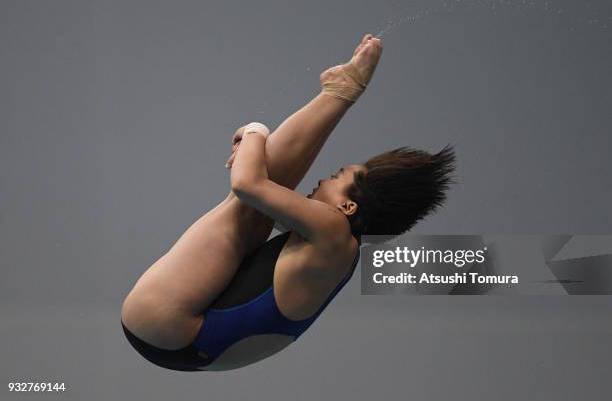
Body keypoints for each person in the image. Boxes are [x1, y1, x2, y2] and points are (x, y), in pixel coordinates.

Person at [120, 34, 456, 371]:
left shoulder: (333, 231)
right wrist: (253, 144)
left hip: (168, 325)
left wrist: (255, 130)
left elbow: (247, 183)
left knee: (245, 209)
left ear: (348, 207)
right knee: (257, 209)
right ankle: (341, 92)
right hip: (182, 342)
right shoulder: (335, 252)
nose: (324, 179)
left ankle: (341, 92)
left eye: (338, 176)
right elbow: (258, 184)